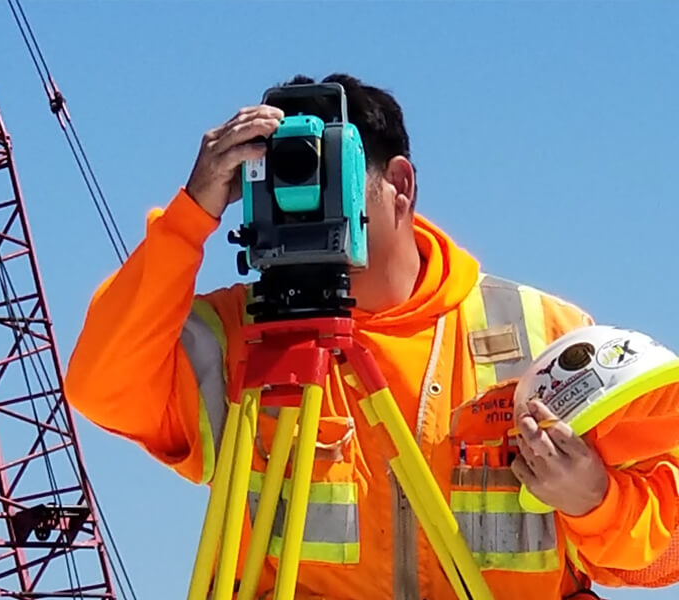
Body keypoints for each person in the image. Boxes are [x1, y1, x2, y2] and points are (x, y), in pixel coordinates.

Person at [63, 74, 679, 600]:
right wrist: (189, 217)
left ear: (401, 186)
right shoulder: (235, 340)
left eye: (324, 172)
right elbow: (101, 387)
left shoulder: (544, 335)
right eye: (275, 176)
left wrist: (595, 500)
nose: (301, 198)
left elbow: (662, 553)